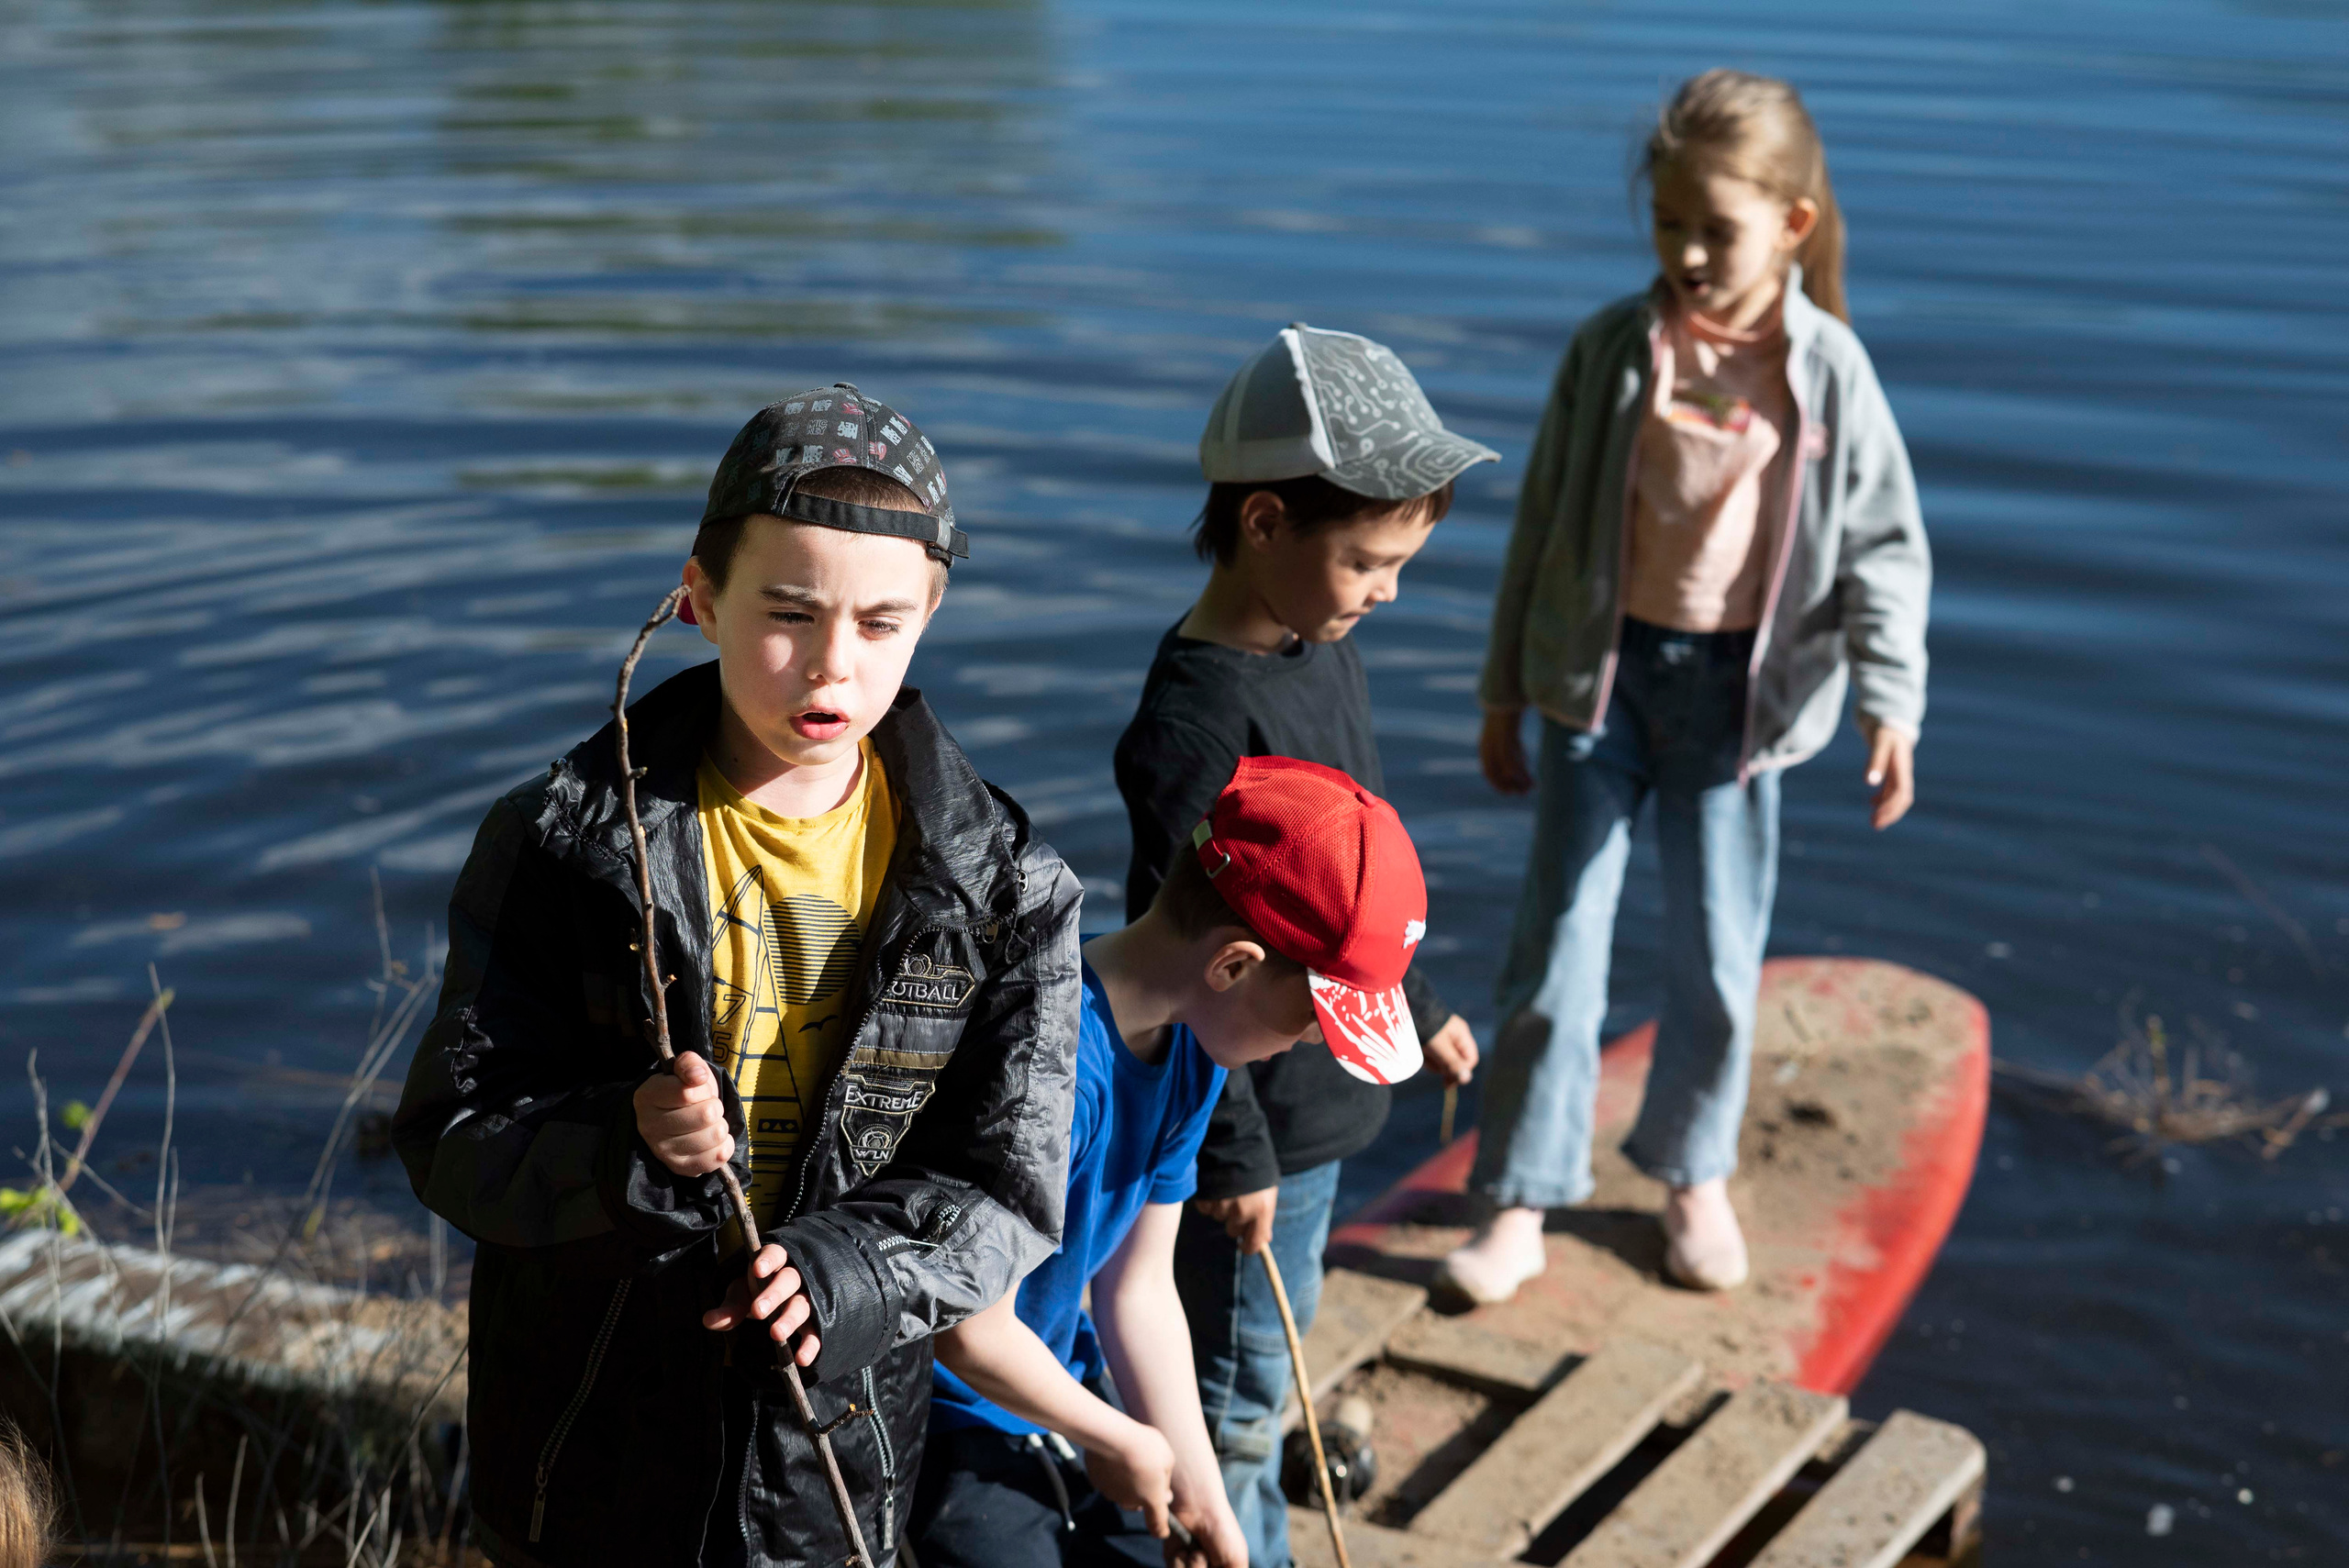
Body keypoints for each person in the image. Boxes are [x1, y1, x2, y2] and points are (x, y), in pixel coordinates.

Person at [394, 384, 1085, 1568]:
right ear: (701, 599)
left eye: (879, 624)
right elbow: (453, 1129)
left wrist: (850, 1269)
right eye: (787, 612)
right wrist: (625, 1140)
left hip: (834, 1454)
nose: (829, 663)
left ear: (928, 612)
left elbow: (1005, 1189)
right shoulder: (567, 842)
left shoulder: (1002, 885)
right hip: (584, 1436)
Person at [1444, 70, 1931, 1304]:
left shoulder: (1830, 373)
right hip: (1596, 688)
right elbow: (1545, 525)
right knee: (1557, 948)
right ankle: (1520, 1196)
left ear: (1792, 227)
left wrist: (1890, 702)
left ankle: (1692, 1173)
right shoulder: (1614, 352)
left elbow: (1883, 548)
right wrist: (1505, 691)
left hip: (1738, 701)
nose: (1690, 252)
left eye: (1717, 227)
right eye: (1669, 225)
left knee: (1718, 956)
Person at [1111, 325, 1491, 1567]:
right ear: (1264, 522)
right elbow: (1175, 968)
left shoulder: (1319, 646)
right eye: (1370, 563)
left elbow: (1360, 871)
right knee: (1228, 1393)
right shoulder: (1196, 728)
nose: (1388, 591)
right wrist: (1227, 1152)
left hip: (1316, 1104)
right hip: (1253, 1123)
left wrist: (1416, 992)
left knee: (1269, 1360)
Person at [914, 756, 1429, 1568]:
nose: (1308, 1045)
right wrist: (1117, 1438)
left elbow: (1139, 1287)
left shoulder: (1196, 1054)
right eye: (1311, 1022)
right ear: (1233, 964)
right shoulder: (1045, 1073)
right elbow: (965, 1326)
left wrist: (1206, 1496)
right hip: (942, 1411)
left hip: (1057, 1382)